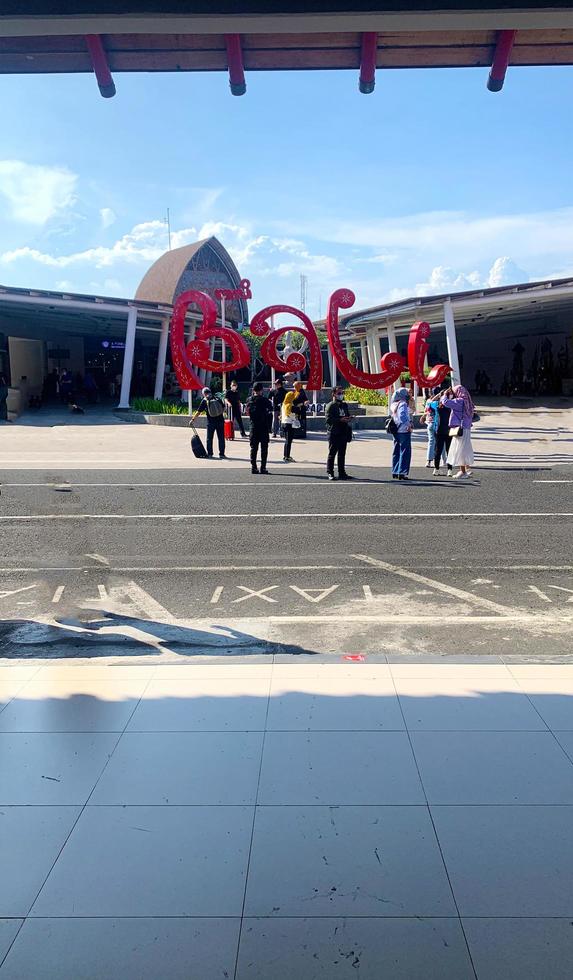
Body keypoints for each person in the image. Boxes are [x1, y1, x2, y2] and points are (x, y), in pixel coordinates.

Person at [441, 384, 475, 479]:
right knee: (465, 449)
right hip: (467, 428)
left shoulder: (459, 401)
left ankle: (462, 472)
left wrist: (445, 394)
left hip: (460, 429)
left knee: (460, 450)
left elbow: (445, 402)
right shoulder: (468, 401)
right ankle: (467, 469)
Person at [325, 386, 353, 480]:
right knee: (332, 453)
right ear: (333, 394)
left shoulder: (344, 405)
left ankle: (342, 472)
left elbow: (347, 414)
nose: (341, 395)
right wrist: (340, 420)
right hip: (334, 432)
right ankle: (330, 472)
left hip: (343, 431)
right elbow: (328, 420)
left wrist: (349, 418)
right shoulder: (331, 405)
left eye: (342, 393)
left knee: (342, 453)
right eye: (339, 393)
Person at [191, 386, 227, 459]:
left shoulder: (205, 400)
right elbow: (224, 408)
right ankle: (222, 454)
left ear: (204, 394)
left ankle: (210, 454)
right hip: (220, 421)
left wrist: (193, 419)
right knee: (221, 438)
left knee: (209, 438)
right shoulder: (217, 398)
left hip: (211, 422)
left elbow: (199, 411)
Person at [246, 381, 273, 474]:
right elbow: (271, 409)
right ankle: (263, 467)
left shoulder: (249, 400)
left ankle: (254, 467)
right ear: (261, 390)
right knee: (264, 448)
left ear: (253, 390)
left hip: (253, 426)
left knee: (254, 448)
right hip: (263, 426)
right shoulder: (265, 400)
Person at [390, 386, 413, 481]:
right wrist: (409, 425)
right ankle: (402, 472)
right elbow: (403, 415)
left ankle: (395, 470)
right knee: (405, 451)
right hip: (404, 430)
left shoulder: (393, 404)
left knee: (396, 450)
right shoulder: (403, 403)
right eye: (407, 393)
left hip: (396, 430)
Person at [433, 387, 454, 477]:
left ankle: (436, 469)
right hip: (449, 430)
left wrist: (439, 395)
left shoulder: (436, 404)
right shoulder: (451, 405)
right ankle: (450, 470)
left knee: (438, 450)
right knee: (449, 450)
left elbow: (429, 402)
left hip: (439, 430)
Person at [281, 389, 297, 462]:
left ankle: (285, 455)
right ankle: (287, 456)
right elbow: (295, 412)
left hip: (284, 423)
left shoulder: (283, 404)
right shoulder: (290, 405)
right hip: (289, 424)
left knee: (286, 441)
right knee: (289, 441)